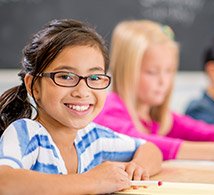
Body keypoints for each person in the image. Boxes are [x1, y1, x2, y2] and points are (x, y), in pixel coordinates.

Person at [0, 19, 162, 194]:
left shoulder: (92, 138)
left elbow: (149, 149)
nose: (82, 92)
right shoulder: (27, 134)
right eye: (66, 76)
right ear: (34, 86)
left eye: (94, 78)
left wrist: (136, 168)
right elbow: (4, 181)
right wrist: (92, 181)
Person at [94, 20, 214, 162]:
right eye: (152, 72)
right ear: (127, 71)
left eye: (169, 71)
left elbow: (196, 128)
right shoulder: (110, 110)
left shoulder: (157, 117)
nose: (163, 81)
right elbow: (141, 143)